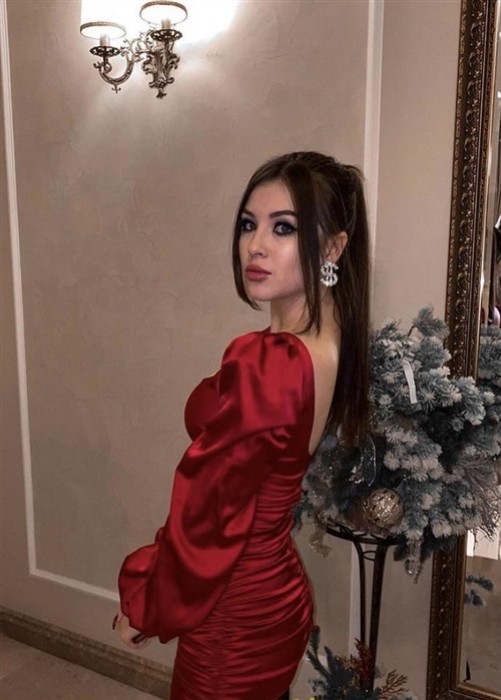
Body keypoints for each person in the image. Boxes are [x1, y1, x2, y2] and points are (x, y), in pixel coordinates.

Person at [113, 151, 371, 699]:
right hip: (271, 597)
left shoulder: (272, 362)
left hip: (233, 611)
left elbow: (207, 517)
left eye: (284, 228)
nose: (256, 244)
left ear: (332, 248)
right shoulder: (328, 340)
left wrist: (148, 602)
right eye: (249, 224)